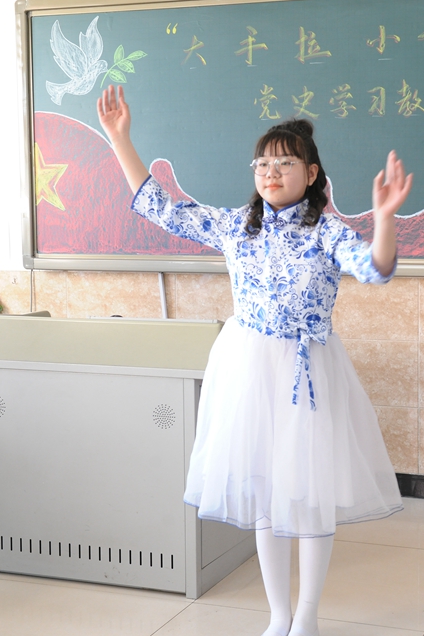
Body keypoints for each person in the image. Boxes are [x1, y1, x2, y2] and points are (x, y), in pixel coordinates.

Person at [96, 84, 407, 636]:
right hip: (247, 369)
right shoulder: (237, 224)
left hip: (307, 373)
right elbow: (161, 208)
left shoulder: (326, 231)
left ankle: (306, 616)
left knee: (307, 496)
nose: (271, 172)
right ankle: (278, 616)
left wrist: (384, 220)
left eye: (285, 163)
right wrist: (120, 138)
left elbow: (375, 268)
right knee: (265, 493)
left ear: (311, 173)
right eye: (263, 163)